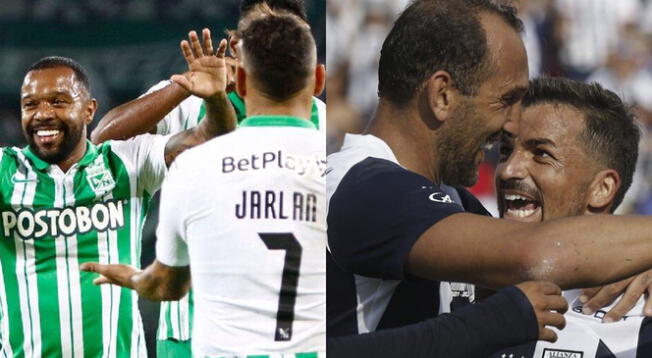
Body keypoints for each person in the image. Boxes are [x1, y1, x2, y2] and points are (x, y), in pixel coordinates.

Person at [327, 0, 652, 354]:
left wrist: (632, 264)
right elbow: (534, 254)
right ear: (443, 95)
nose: (512, 123)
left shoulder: (444, 199)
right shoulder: (370, 189)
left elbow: (548, 259)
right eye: (505, 100)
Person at [82, 6, 326, 357]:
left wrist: (138, 279)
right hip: (191, 330)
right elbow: (104, 138)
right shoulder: (190, 99)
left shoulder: (196, 165)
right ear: (235, 45)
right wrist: (184, 89)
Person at [0, 29, 234, 358]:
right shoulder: (4, 171)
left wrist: (214, 98)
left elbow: (212, 138)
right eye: (30, 105)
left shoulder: (126, 162)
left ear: (89, 110)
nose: (43, 114)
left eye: (58, 101)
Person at [492, 77, 652, 357]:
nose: (508, 170)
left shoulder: (641, 318)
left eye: (541, 154)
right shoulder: (449, 277)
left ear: (602, 189)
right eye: (505, 151)